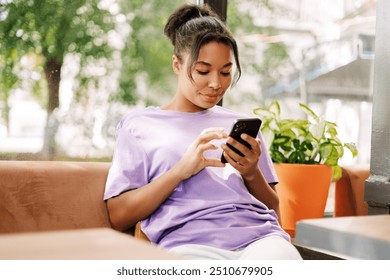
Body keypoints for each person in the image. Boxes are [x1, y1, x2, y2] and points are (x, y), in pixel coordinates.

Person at [104, 3, 302, 260]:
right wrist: (181, 170)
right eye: (203, 71)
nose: (216, 84)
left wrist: (252, 173)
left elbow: (274, 209)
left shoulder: (240, 124)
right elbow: (118, 216)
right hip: (188, 246)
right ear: (177, 64)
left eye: (226, 72)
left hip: (261, 241)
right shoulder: (139, 125)